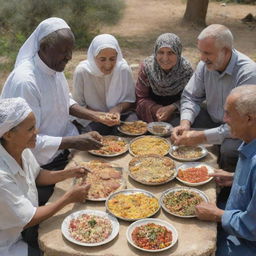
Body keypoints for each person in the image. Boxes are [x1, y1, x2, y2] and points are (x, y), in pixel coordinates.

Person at [0, 18, 105, 204]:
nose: (69, 57)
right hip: (40, 162)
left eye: (71, 50)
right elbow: (27, 140)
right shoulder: (26, 81)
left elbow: (65, 102)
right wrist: (75, 142)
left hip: (62, 147)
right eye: (64, 51)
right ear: (44, 47)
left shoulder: (54, 67)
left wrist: (94, 115)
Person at [0, 97, 91, 256]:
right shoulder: (2, 177)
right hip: (8, 243)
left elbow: (37, 175)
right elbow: (28, 219)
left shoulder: (21, 148)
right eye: (30, 129)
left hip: (23, 226)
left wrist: (69, 173)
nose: (37, 132)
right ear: (8, 135)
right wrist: (68, 198)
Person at [171, 24, 256, 172]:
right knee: (175, 123)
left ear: (226, 51)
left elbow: (242, 122)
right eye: (200, 52)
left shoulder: (248, 73)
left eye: (208, 53)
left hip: (239, 128)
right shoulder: (204, 65)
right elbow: (190, 96)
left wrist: (201, 136)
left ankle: (226, 188)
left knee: (229, 151)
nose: (202, 58)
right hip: (213, 119)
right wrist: (185, 123)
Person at [195, 84, 256, 256]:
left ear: (249, 119)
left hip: (247, 243)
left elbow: (252, 227)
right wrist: (234, 178)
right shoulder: (249, 140)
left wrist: (218, 215)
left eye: (229, 113)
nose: (224, 119)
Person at [72, 34, 136, 135]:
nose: (108, 65)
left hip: (119, 115)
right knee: (92, 137)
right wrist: (100, 116)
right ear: (93, 57)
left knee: (131, 130)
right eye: (102, 59)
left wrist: (117, 109)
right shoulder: (82, 72)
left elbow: (130, 99)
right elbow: (78, 106)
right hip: (92, 118)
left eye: (112, 59)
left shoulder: (123, 69)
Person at [135, 33, 193, 125]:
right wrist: (157, 109)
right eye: (161, 52)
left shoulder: (186, 71)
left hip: (178, 114)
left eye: (170, 53)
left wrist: (172, 107)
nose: (165, 58)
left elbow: (191, 98)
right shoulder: (147, 68)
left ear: (178, 53)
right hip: (150, 113)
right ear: (155, 52)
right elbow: (141, 97)